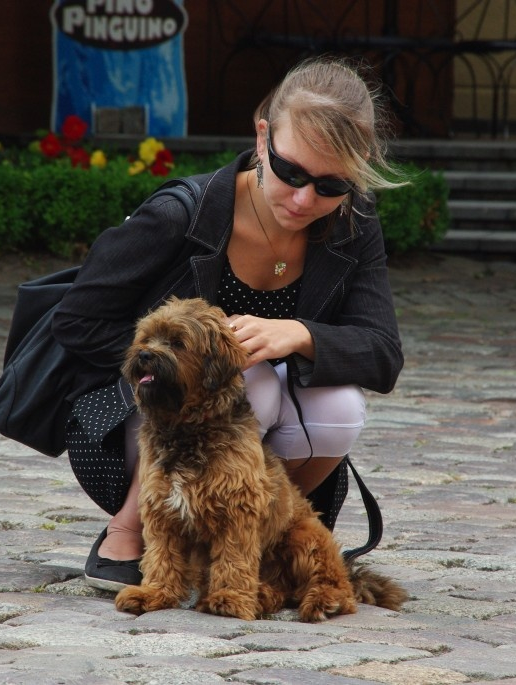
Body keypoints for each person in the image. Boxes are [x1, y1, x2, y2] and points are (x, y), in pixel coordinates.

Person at [51, 56, 406, 591]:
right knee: (254, 384)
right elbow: (75, 321)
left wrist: (300, 334)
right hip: (150, 424)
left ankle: (262, 537)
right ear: (262, 137)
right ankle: (129, 527)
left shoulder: (353, 225)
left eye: (332, 185)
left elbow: (383, 353)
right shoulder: (182, 216)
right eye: (291, 172)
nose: (305, 199)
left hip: (258, 455)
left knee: (341, 406)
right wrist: (179, 362)